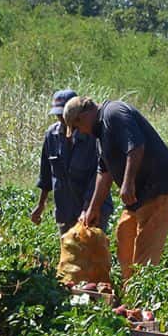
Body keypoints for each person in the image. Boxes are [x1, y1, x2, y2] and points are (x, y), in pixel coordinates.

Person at [66, 96, 168, 280]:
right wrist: (93, 208)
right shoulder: (101, 133)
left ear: (83, 117)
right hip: (139, 195)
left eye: (76, 127)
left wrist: (128, 182)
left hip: (158, 187)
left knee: (144, 251)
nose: (80, 132)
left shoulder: (114, 113)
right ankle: (128, 289)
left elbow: (136, 146)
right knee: (124, 234)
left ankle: (141, 297)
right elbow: (104, 172)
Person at [31, 89, 112, 234]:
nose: (61, 118)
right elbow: (46, 174)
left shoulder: (93, 135)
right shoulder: (51, 135)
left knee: (93, 252)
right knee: (70, 252)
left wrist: (88, 208)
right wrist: (40, 205)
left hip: (94, 207)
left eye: (63, 114)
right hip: (65, 209)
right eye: (57, 115)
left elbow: (99, 174)